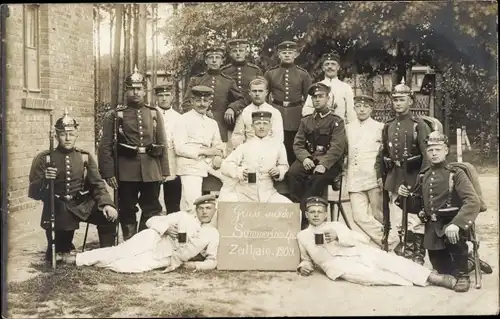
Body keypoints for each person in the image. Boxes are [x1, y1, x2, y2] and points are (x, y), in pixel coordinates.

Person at [296, 196, 457, 291]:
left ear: (325, 215)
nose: (316, 215)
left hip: (358, 252)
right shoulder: (302, 236)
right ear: (306, 214)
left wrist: (338, 236)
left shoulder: (335, 226)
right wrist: (304, 266)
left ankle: (434, 278)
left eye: (319, 212)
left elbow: (360, 239)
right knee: (373, 276)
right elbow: (305, 259)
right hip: (338, 265)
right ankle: (419, 279)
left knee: (391, 261)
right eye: (312, 212)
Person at [397, 131, 483, 292]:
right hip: (433, 228)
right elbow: (416, 206)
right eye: (430, 150)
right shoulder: (424, 176)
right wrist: (405, 197)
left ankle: (464, 274)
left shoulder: (456, 173)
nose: (434, 153)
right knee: (442, 269)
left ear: (446, 150)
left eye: (438, 149)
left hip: (453, 224)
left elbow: (473, 201)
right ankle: (470, 262)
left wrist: (457, 224)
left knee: (456, 255)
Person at [28, 110, 118, 263]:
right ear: (56, 136)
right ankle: (62, 249)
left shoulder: (84, 157)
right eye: (63, 134)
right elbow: (34, 192)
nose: (68, 138)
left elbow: (97, 185)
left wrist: (107, 204)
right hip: (58, 207)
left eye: (71, 134)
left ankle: (106, 253)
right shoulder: (45, 158)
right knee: (58, 254)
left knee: (108, 217)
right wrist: (45, 179)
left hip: (82, 204)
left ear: (76, 135)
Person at [98, 66, 170, 241]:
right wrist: (108, 173)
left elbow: (162, 142)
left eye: (139, 89)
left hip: (151, 170)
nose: (135, 92)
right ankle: (130, 242)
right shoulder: (115, 115)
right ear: (126, 91)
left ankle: (143, 242)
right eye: (132, 89)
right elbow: (105, 146)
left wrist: (164, 170)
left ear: (145, 91)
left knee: (151, 207)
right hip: (126, 170)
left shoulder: (153, 113)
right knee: (127, 207)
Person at [73, 195, 220, 273]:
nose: (205, 212)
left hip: (166, 257)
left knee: (123, 267)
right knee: (120, 251)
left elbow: (212, 261)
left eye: (208, 208)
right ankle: (76, 259)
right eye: (201, 208)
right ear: (196, 209)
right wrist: (166, 228)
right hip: (152, 239)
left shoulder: (213, 233)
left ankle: (87, 260)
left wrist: (194, 265)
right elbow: (151, 220)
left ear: (214, 210)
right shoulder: (183, 216)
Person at [378, 78, 431, 264]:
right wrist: (381, 176)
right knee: (397, 217)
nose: (398, 103)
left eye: (402, 99)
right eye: (395, 100)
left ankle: (417, 255)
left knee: (414, 219)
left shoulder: (419, 125)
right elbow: (383, 153)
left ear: (410, 101)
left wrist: (421, 180)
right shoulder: (388, 125)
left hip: (413, 176)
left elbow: (427, 155)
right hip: (395, 176)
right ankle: (404, 251)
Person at [288, 82, 346, 229]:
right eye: (314, 98)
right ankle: (296, 207)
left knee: (317, 178)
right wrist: (305, 158)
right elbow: (298, 144)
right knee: (293, 173)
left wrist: (323, 164)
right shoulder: (306, 121)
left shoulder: (336, 121)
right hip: (310, 159)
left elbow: (337, 147)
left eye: (321, 96)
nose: (317, 100)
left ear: (328, 98)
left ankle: (303, 216)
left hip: (330, 163)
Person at [346, 95, 399, 249]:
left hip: (373, 178)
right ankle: (390, 242)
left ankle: (388, 244)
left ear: (371, 108)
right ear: (354, 108)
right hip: (354, 178)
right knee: (358, 216)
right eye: (358, 106)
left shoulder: (380, 127)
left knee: (380, 215)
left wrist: (384, 176)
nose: (362, 109)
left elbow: (386, 153)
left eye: (366, 106)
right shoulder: (348, 128)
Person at [219, 110, 291, 204]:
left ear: (270, 126)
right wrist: (239, 171)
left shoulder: (278, 146)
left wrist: (279, 171)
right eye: (258, 123)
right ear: (252, 126)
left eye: (265, 123)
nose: (261, 127)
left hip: (268, 194)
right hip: (244, 194)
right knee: (225, 207)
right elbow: (225, 164)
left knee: (292, 210)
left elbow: (284, 165)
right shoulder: (244, 146)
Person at [181, 46, 246, 149]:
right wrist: (202, 112)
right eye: (211, 57)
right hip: (197, 127)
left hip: (221, 126)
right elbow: (186, 103)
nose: (214, 60)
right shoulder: (196, 80)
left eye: (217, 57)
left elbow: (242, 100)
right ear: (206, 61)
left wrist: (232, 108)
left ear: (222, 61)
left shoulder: (228, 81)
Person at [174, 86, 226, 213]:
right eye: (198, 101)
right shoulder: (182, 120)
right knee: (193, 202)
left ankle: (221, 216)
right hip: (190, 164)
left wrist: (218, 156)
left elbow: (218, 145)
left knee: (235, 178)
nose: (202, 104)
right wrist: (207, 151)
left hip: (209, 162)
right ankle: (194, 229)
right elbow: (180, 148)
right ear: (192, 101)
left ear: (209, 102)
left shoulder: (211, 123)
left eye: (205, 101)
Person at [265, 40, 312, 164]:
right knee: (276, 143)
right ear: (279, 55)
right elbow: (265, 94)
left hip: (296, 114)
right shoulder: (271, 73)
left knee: (293, 145)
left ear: (296, 55)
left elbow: (309, 98)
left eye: (290, 52)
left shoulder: (303, 74)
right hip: (276, 111)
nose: (287, 55)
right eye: (284, 52)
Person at [302, 52, 356, 124]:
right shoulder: (316, 86)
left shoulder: (345, 88)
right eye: (327, 64)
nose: (330, 67)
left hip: (340, 127)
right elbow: (306, 110)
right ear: (323, 68)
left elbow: (351, 113)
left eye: (333, 64)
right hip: (319, 127)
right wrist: (321, 111)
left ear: (338, 67)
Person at [231, 76, 284, 149]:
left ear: (266, 92)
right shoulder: (244, 112)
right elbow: (237, 136)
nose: (257, 94)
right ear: (249, 92)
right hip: (249, 151)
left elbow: (278, 137)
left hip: (269, 151)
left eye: (260, 91)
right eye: (254, 91)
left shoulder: (275, 112)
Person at [154, 82, 182, 214]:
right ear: (156, 97)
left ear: (172, 97)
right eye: (160, 95)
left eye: (167, 95)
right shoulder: (151, 114)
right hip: (154, 159)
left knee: (172, 198)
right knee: (154, 200)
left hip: (172, 159)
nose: (164, 98)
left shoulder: (179, 118)